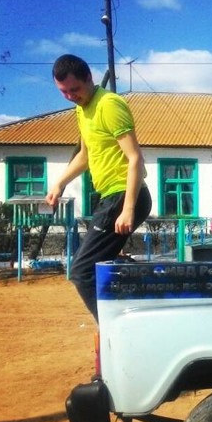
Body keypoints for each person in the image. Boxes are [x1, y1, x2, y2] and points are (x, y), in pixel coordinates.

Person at [46, 54, 152, 321]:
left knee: (82, 272)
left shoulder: (109, 104)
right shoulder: (81, 110)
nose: (70, 96)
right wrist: (60, 182)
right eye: (64, 92)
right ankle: (131, 304)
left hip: (124, 195)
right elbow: (85, 155)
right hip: (111, 197)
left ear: (89, 79)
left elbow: (135, 158)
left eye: (75, 89)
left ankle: (115, 331)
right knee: (94, 266)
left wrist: (127, 209)